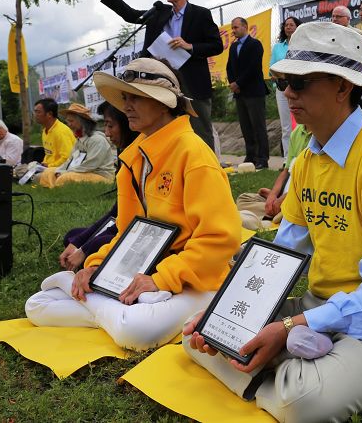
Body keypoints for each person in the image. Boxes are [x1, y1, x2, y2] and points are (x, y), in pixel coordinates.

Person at [183, 22, 362, 423]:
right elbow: (282, 251)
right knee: (199, 336)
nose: (287, 93)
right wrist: (231, 310)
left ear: (342, 87)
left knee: (303, 404)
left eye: (299, 83)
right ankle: (283, 364)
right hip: (322, 306)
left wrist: (289, 325)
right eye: (286, 82)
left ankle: (276, 369)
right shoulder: (306, 162)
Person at [25, 58, 241, 350]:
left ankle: (118, 309)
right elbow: (127, 234)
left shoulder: (194, 154)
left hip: (199, 281)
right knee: (37, 304)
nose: (126, 105)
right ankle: (119, 308)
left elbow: (221, 241)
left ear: (164, 103)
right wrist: (97, 266)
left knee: (134, 332)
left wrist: (162, 278)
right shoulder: (133, 158)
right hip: (142, 276)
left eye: (136, 97)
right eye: (125, 96)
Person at [88, 0, 223, 150]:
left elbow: (216, 45)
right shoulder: (160, 12)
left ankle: (208, 168)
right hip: (161, 79)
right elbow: (132, 16)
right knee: (164, 123)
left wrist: (189, 46)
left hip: (192, 79)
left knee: (200, 127)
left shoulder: (200, 14)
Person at [59, 101, 139, 271]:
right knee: (73, 236)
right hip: (124, 228)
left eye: (110, 126)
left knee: (94, 243)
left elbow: (90, 164)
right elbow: (116, 214)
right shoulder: (127, 156)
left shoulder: (99, 140)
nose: (108, 133)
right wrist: (79, 244)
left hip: (140, 234)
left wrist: (85, 248)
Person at [236, 123, 311, 224]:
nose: (292, 107)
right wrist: (273, 195)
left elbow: (310, 184)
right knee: (243, 199)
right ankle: (277, 212)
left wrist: (283, 199)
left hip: (300, 198)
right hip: (284, 197)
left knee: (300, 207)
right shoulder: (296, 132)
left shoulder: (321, 136)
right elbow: (286, 170)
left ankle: (282, 213)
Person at [38, 103, 115, 188]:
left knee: (66, 178)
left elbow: (90, 165)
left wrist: (67, 172)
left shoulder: (97, 140)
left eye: (71, 121)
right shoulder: (79, 140)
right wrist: (59, 170)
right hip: (79, 172)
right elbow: (70, 160)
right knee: (48, 172)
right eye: (68, 121)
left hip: (100, 176)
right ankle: (53, 189)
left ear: (82, 122)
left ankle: (57, 189)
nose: (69, 125)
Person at [226, 17, 269, 169]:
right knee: (246, 127)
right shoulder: (233, 47)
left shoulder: (255, 44)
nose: (233, 30)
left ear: (245, 27)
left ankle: (262, 158)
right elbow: (229, 67)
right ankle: (250, 156)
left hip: (254, 92)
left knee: (258, 126)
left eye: (236, 27)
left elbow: (254, 67)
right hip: (240, 93)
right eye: (232, 27)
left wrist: (239, 83)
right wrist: (232, 83)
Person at [270, 16, 302, 159]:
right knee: (286, 127)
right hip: (281, 88)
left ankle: (301, 156)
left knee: (301, 124)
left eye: (292, 25)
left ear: (298, 27)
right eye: (286, 25)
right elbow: (271, 68)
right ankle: (287, 160)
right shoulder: (278, 47)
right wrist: (277, 76)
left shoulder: (303, 44)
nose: (288, 27)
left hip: (298, 88)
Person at [33, 98, 75, 168]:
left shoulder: (61, 131)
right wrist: (43, 164)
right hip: (50, 168)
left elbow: (67, 158)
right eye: (35, 112)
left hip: (62, 170)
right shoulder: (45, 131)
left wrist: (49, 166)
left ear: (49, 114)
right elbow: (48, 154)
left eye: (38, 112)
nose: (35, 115)